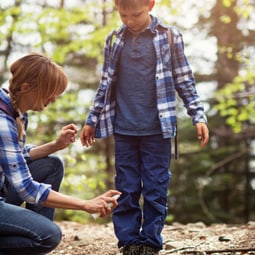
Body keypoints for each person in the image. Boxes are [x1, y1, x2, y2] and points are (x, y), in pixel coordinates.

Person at [80, 0, 209, 254]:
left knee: (155, 186)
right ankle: (128, 240)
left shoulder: (169, 37)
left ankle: (150, 241)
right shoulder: (114, 39)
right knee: (126, 187)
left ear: (150, 4)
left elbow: (184, 80)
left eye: (136, 14)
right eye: (123, 14)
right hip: (124, 129)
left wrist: (198, 115)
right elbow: (106, 84)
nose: (129, 20)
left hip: (158, 131)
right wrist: (91, 119)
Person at [0, 53, 121, 255]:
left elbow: (16, 156)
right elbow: (26, 189)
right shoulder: (3, 121)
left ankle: (31, 238)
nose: (53, 99)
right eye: (50, 92)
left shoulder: (17, 110)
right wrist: (85, 204)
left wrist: (55, 145)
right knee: (49, 236)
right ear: (26, 88)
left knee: (52, 165)